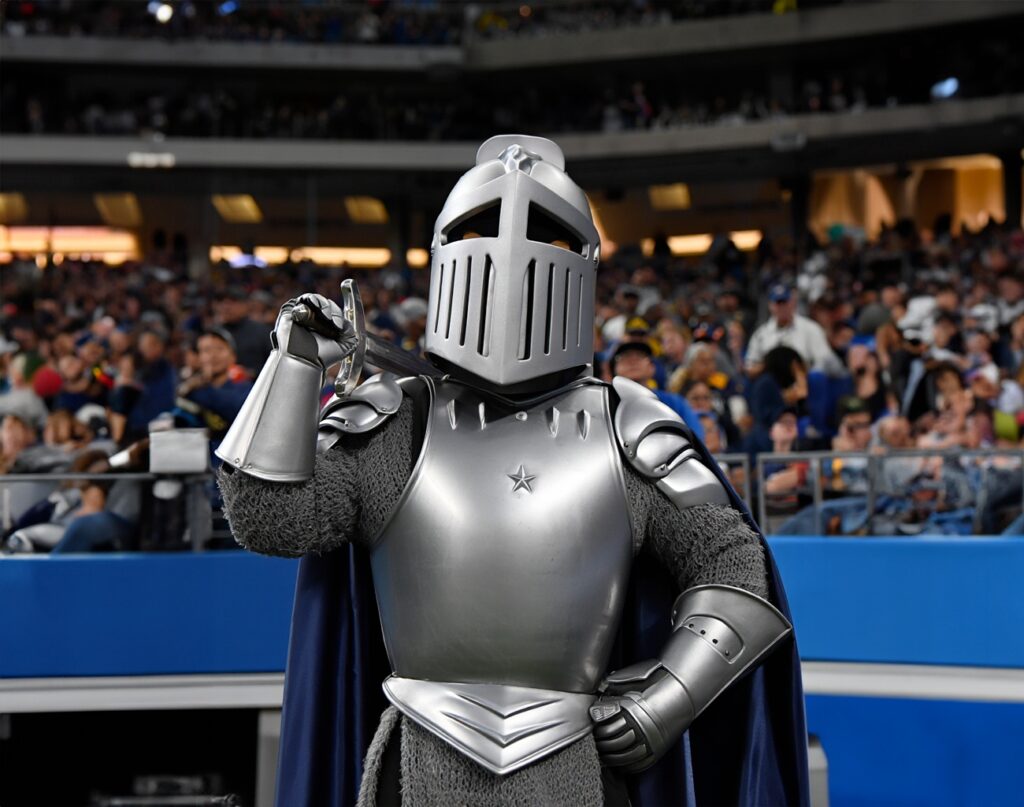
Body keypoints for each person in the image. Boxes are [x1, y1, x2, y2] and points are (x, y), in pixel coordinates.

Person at [217, 136, 807, 807]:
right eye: (481, 231)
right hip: (420, 746)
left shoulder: (625, 421)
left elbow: (733, 566)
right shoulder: (397, 416)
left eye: (544, 235)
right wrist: (293, 364)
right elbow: (271, 520)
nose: (510, 253)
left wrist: (669, 697)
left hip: (575, 750)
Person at [175, 328, 252, 464]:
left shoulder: (247, 389)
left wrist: (201, 387)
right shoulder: (190, 391)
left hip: (233, 466)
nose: (213, 356)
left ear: (233, 356)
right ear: (198, 358)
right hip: (195, 466)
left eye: (219, 349)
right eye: (206, 350)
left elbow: (236, 410)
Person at [610, 340, 704, 440]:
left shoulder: (674, 402)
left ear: (652, 368)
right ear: (615, 369)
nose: (633, 361)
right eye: (625, 356)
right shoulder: (607, 403)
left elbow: (695, 438)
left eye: (640, 356)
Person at [745, 284, 845, 376]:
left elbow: (826, 360)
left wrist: (807, 372)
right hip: (772, 382)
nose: (782, 307)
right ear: (770, 306)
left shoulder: (810, 328)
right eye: (778, 303)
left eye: (785, 302)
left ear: (793, 303)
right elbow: (749, 365)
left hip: (805, 380)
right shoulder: (761, 334)